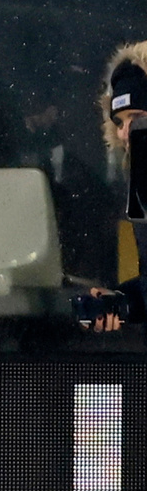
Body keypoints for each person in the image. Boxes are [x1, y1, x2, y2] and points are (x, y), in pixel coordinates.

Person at [88, 40, 147, 334]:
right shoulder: (139, 183)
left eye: (136, 118)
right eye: (119, 121)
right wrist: (122, 302)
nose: (125, 133)